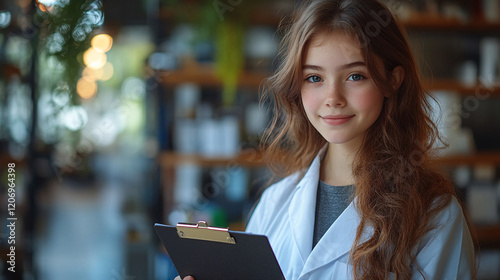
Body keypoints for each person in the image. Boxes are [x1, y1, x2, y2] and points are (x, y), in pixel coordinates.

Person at [177, 0, 477, 279]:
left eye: (355, 76)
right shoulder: (274, 203)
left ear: (393, 80)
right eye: (314, 78)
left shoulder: (435, 216)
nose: (333, 98)